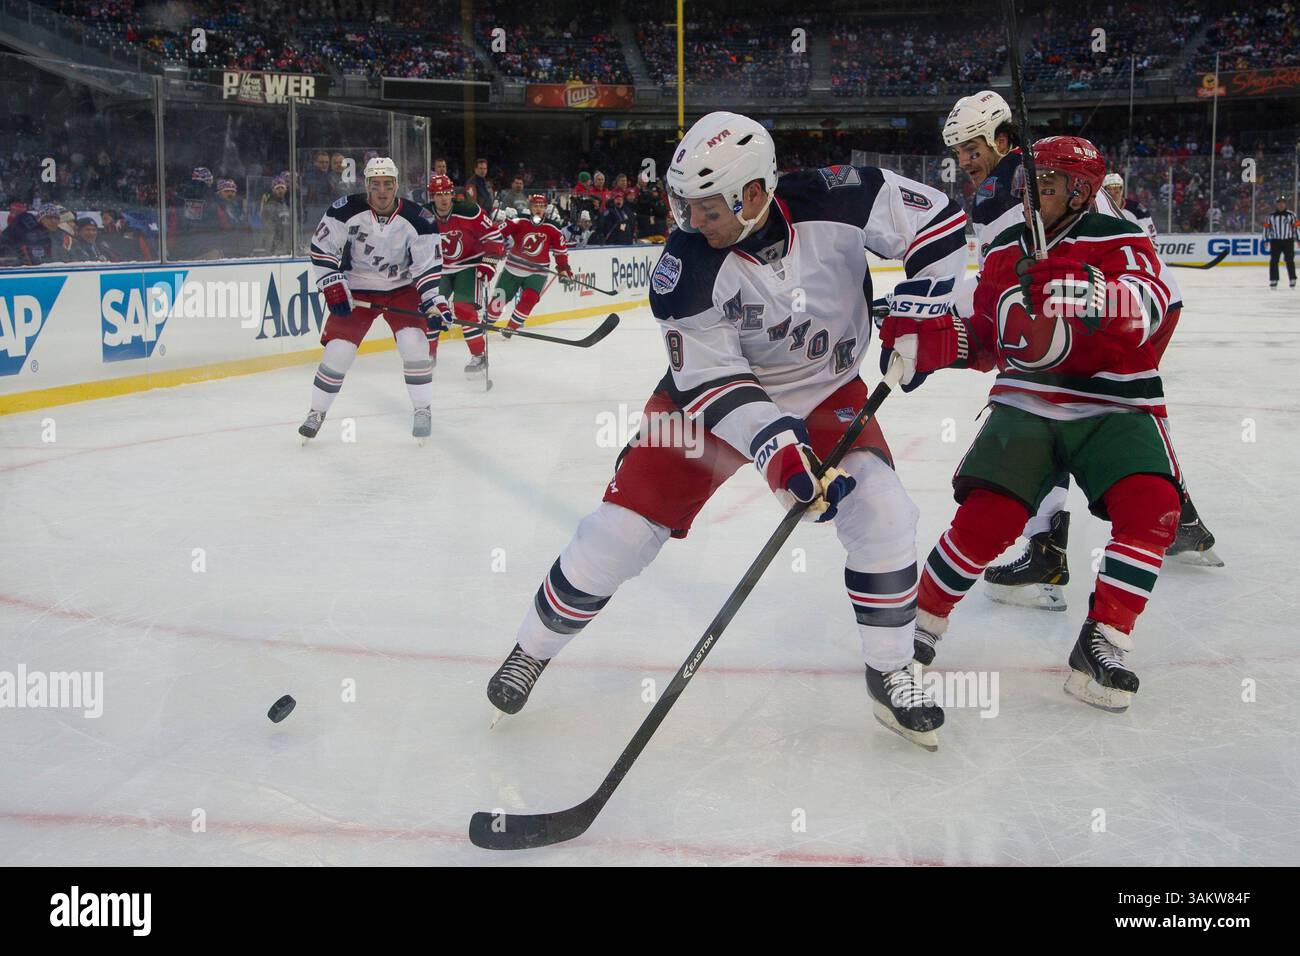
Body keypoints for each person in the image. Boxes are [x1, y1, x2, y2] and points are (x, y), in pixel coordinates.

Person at [484, 111, 969, 751]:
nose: (690, 224)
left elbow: (940, 223)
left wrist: (917, 313)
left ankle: (889, 670)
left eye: (706, 208)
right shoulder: (685, 270)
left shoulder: (843, 195)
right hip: (711, 403)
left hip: (828, 388)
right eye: (683, 207)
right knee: (619, 533)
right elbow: (715, 384)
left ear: (755, 192)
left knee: (885, 514)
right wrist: (782, 457)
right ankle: (532, 649)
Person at [880, 136, 1182, 714]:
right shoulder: (1004, 250)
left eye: (1046, 186)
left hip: (1114, 401)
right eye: (1029, 186)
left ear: (1081, 192)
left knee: (1151, 508)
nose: (1030, 197)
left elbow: (1150, 306)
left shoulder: (1120, 239)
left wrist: (1092, 294)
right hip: (1028, 401)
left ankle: (1105, 639)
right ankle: (916, 626)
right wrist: (937, 344)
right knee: (987, 518)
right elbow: (992, 339)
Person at [298, 157, 451, 444]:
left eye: (388, 184)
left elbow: (426, 267)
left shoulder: (420, 218)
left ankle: (422, 409)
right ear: (366, 186)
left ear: (396, 186)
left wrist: (433, 302)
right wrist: (332, 283)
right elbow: (321, 249)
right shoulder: (345, 210)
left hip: (402, 288)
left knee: (414, 344)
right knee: (338, 351)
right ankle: (316, 412)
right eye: (376, 185)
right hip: (358, 289)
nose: (382, 191)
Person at [423, 173, 503, 378]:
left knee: (464, 308)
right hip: (439, 268)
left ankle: (478, 355)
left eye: (447, 193)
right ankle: (428, 355)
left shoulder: (469, 210)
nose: (443, 198)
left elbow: (494, 237)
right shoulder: (423, 215)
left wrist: (489, 264)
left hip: (469, 265)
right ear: (432, 196)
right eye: (438, 194)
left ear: (452, 194)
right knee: (431, 309)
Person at [486, 193, 571, 336]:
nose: (538, 209)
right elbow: (497, 234)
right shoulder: (519, 221)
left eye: (542, 206)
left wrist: (563, 270)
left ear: (546, 208)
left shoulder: (553, 228)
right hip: (512, 269)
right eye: (535, 206)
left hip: (537, 272)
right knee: (497, 303)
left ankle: (511, 328)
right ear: (530, 207)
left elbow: (560, 252)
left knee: (529, 299)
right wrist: (492, 246)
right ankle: (484, 325)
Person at [1103, 172, 1156, 238]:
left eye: (1116, 189)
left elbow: (1151, 237)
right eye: (1109, 189)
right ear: (1104, 191)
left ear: (1122, 189)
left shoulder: (1138, 210)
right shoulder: (1097, 210)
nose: (1113, 193)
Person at [1264, 195, 1297, 290]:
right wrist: (1265, 239)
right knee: (1274, 261)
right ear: (1276, 205)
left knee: (1290, 260)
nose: (1281, 205)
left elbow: (1296, 228)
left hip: (1288, 240)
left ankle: (1292, 279)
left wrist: (1298, 239)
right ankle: (1274, 279)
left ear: (1285, 204)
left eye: (1283, 203)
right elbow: (1266, 228)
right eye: (1279, 203)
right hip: (1275, 241)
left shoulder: (1292, 215)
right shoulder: (1270, 216)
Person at [258, 174, 292, 256]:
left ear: (286, 189)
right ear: (273, 190)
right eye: (277, 188)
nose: (280, 190)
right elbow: (267, 227)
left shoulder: (287, 205)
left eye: (282, 188)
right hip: (273, 244)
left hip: (286, 241)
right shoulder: (268, 206)